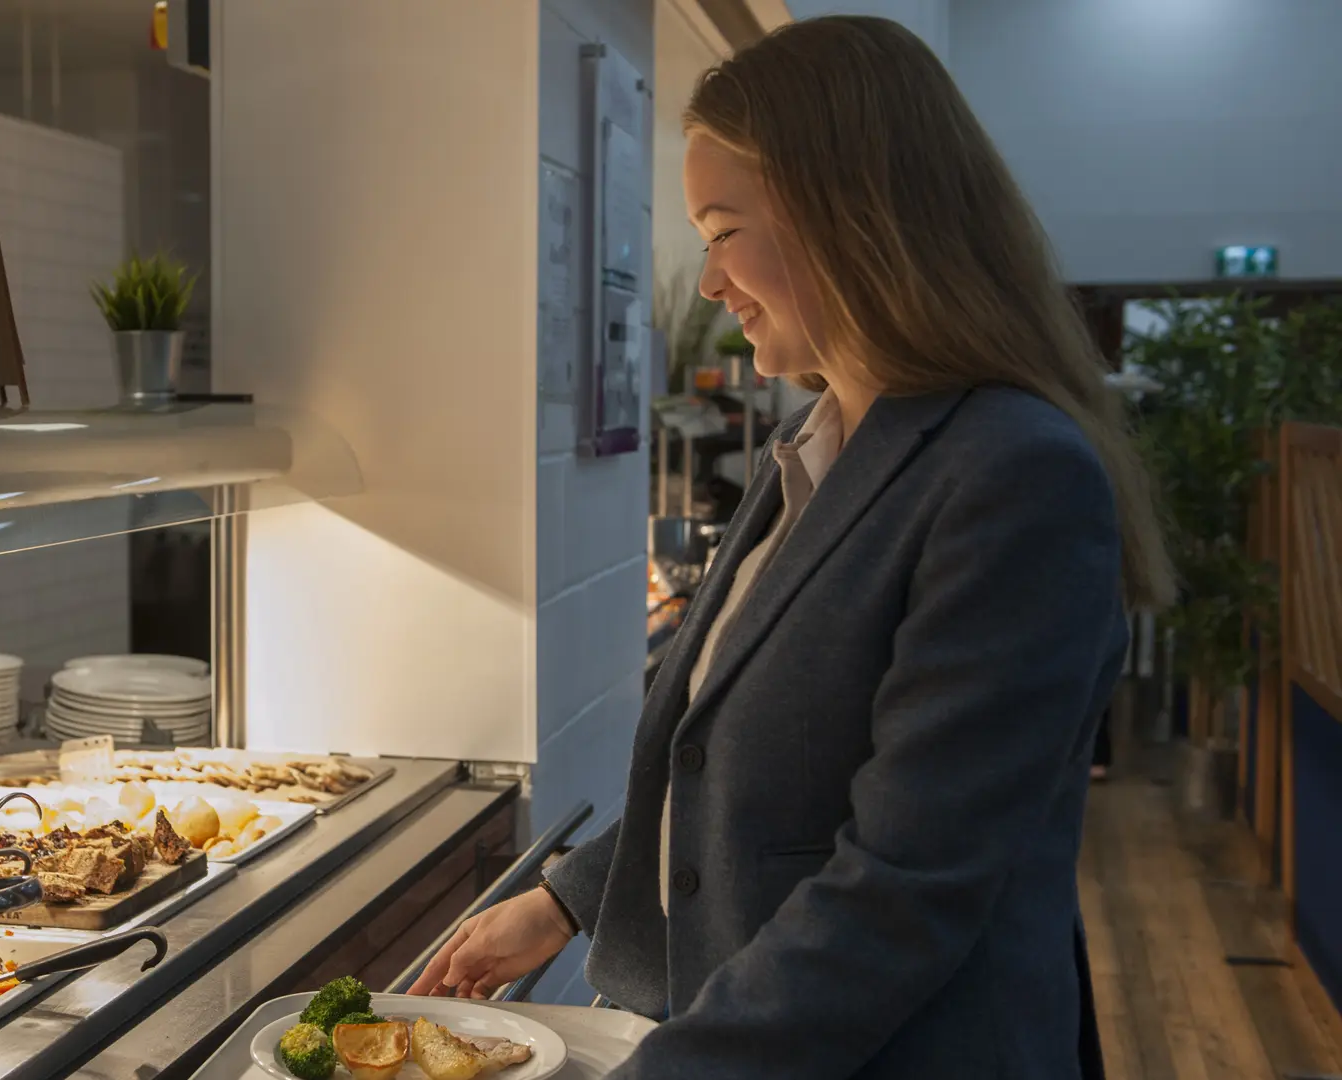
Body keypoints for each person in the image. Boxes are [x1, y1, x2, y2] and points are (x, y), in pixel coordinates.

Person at [408, 16, 1172, 1080]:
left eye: (722, 230)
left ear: (852, 217)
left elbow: (902, 888)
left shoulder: (1013, 475)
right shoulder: (814, 450)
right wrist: (565, 898)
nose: (711, 282)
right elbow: (743, 779)